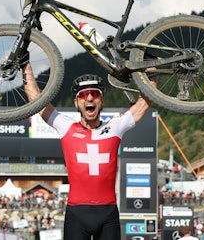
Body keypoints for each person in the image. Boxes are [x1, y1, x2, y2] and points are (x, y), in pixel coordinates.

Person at [23, 63, 156, 240]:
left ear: (102, 100)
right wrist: (26, 68)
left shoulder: (115, 127)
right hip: (76, 215)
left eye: (95, 94)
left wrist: (152, 70)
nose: (90, 98)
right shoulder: (66, 127)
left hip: (108, 215)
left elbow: (145, 102)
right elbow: (36, 101)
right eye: (84, 95)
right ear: (76, 102)